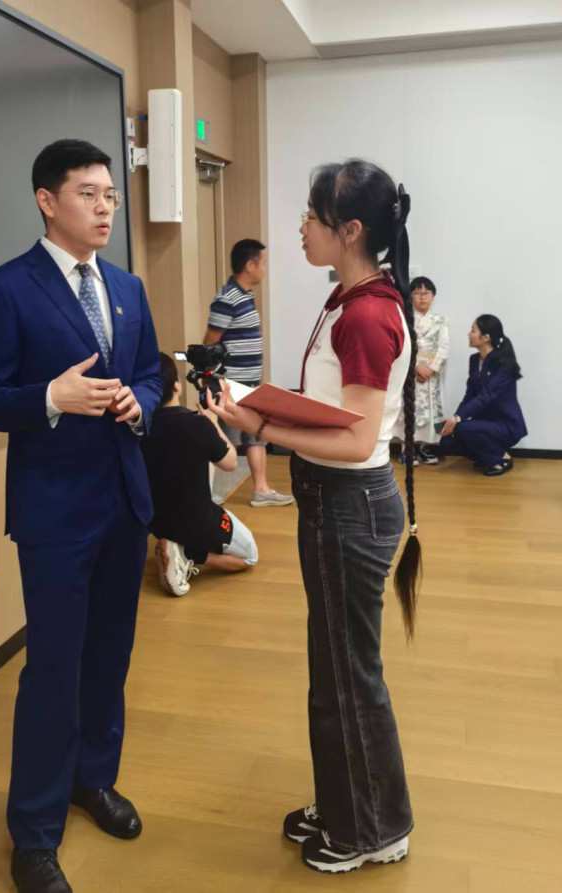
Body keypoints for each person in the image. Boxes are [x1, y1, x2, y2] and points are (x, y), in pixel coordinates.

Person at [207, 159, 421, 874]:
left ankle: (373, 829)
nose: (299, 226)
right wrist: (265, 409)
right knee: (333, 667)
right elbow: (337, 412)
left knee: (348, 673)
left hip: (349, 504)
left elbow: (356, 440)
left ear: (349, 229)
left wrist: (259, 424)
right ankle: (345, 804)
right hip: (339, 501)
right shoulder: (351, 298)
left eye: (310, 215)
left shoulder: (366, 312)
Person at [0, 139, 162, 893]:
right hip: (53, 512)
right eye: (89, 193)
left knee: (110, 657)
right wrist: (51, 396)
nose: (105, 207)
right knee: (53, 668)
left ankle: (93, 779)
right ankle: (34, 832)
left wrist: (138, 403)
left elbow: (150, 374)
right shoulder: (5, 288)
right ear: (47, 201)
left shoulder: (127, 286)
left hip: (124, 501)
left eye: (110, 193)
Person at [142, 353, 259, 596]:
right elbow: (230, 464)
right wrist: (213, 422)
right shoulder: (198, 426)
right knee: (250, 558)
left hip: (156, 522)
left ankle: (176, 545)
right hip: (199, 522)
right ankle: (189, 553)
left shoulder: (138, 428)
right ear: (177, 386)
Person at [204, 239, 293, 508]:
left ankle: (261, 490)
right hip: (229, 384)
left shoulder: (245, 295)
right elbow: (210, 342)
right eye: (263, 263)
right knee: (220, 440)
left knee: (257, 435)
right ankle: (205, 494)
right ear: (250, 266)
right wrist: (212, 379)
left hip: (249, 383)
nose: (265, 268)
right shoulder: (227, 298)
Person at [439, 314, 526, 475]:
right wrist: (454, 420)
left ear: (486, 337)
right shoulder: (474, 360)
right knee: (446, 442)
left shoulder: (503, 364)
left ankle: (501, 459)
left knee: (462, 429)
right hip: (484, 423)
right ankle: (486, 457)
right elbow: (470, 395)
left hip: (506, 425)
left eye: (473, 330)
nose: (468, 334)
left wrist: (458, 420)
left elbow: (486, 395)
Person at [396, 275, 449, 465]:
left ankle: (425, 446)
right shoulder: (404, 319)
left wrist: (431, 369)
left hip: (430, 376)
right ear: (411, 296)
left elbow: (444, 348)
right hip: (410, 372)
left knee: (432, 411)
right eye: (417, 293)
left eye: (426, 293)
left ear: (433, 296)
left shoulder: (440, 321)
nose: (422, 297)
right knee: (409, 409)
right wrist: (416, 367)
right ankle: (407, 448)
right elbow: (400, 347)